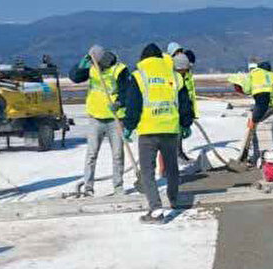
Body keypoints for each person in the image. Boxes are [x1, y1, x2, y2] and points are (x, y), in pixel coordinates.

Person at [122, 45, 194, 223]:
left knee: (147, 171)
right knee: (172, 168)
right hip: (170, 129)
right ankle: (174, 199)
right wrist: (185, 124)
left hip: (148, 131)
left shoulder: (139, 76)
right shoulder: (175, 76)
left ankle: (155, 210)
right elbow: (185, 103)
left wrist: (129, 126)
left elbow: (133, 105)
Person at [68, 45, 129, 196]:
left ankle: (118, 187)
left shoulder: (120, 69)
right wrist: (80, 66)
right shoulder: (91, 67)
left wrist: (119, 103)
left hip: (114, 119)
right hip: (95, 118)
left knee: (117, 154)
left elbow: (127, 91)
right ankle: (88, 188)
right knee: (91, 154)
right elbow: (75, 78)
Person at [246, 60, 273, 165]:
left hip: (261, 102)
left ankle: (255, 156)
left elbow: (247, 89)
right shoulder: (272, 75)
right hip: (272, 103)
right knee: (258, 124)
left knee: (253, 124)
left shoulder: (254, 74)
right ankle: (260, 155)